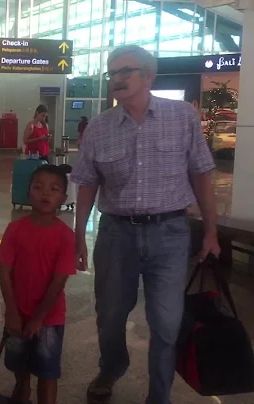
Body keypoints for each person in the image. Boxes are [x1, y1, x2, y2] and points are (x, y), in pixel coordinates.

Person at [71, 45, 220, 404]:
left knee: (166, 325)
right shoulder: (99, 128)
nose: (117, 79)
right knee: (109, 315)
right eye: (112, 73)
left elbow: (201, 175)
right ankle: (112, 367)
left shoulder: (182, 116)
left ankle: (159, 396)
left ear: (148, 76)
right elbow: (88, 182)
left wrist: (211, 231)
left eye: (126, 71)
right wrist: (78, 235)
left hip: (169, 234)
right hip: (116, 234)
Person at [0, 165, 76, 404]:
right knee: (19, 365)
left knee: (47, 371)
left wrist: (39, 317)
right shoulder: (15, 229)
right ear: (28, 192)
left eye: (54, 189)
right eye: (38, 187)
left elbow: (58, 282)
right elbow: (4, 273)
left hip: (49, 318)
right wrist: (11, 311)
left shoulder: (65, 236)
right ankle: (22, 393)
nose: (45, 194)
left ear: (63, 197)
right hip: (18, 313)